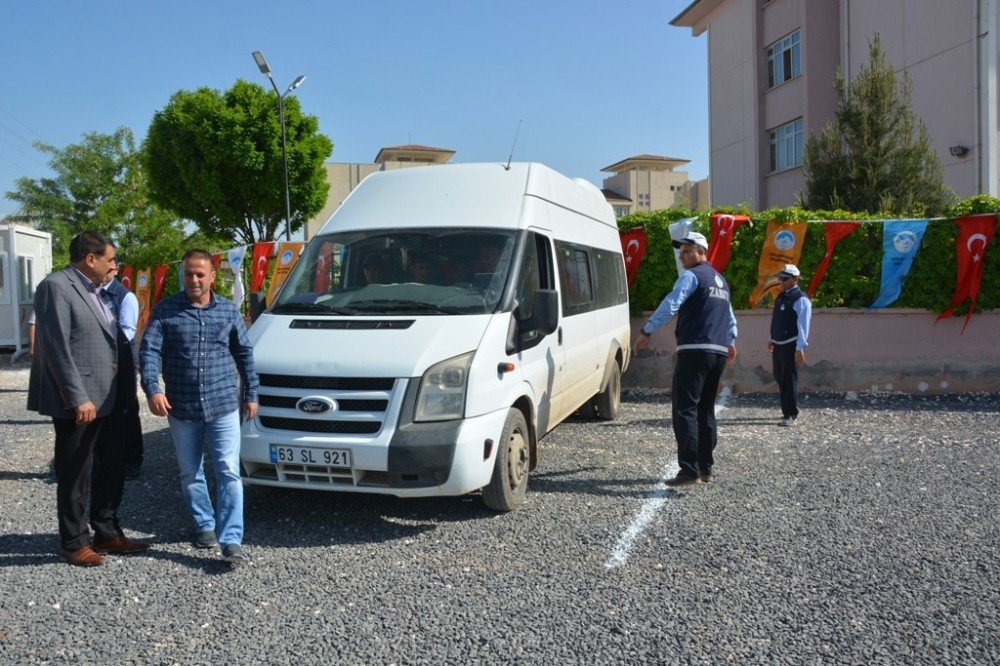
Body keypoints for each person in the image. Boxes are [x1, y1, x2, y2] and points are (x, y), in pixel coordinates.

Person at [27, 231, 149, 567]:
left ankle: (106, 531)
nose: (115, 264)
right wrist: (76, 396)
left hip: (108, 397)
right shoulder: (57, 287)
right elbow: (56, 346)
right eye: (110, 258)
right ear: (90, 259)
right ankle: (73, 541)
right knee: (75, 471)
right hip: (80, 401)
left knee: (112, 464)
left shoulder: (95, 290)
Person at [139, 249, 259, 568]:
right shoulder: (165, 311)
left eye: (200, 274)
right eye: (188, 273)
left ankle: (231, 539)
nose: (194, 279)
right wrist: (152, 388)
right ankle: (205, 523)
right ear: (182, 275)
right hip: (182, 407)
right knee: (190, 471)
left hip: (222, 405)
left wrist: (252, 393)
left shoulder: (228, 311)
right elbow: (149, 352)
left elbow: (244, 354)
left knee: (229, 471)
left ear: (212, 276)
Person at [632, 232, 738, 487]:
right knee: (705, 409)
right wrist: (731, 341)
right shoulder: (721, 281)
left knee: (685, 409)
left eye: (687, 251)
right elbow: (729, 316)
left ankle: (688, 469)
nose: (682, 256)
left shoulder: (690, 277)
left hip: (695, 349)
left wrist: (647, 330)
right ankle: (706, 467)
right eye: (681, 252)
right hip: (718, 352)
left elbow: (671, 304)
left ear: (702, 252)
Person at [101, 267, 144, 479]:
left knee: (126, 410)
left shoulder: (125, 296)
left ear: (115, 269)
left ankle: (132, 460)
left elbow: (127, 331)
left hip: (122, 361)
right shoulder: (90, 292)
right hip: (98, 361)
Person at [768, 264, 812, 426]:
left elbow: (803, 326)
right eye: (780, 278)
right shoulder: (781, 296)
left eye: (784, 278)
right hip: (779, 343)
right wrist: (771, 338)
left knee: (788, 379)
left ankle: (791, 413)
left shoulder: (801, 299)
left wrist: (800, 348)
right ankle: (790, 407)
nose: (781, 281)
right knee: (779, 376)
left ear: (795, 279)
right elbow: (777, 320)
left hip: (790, 344)